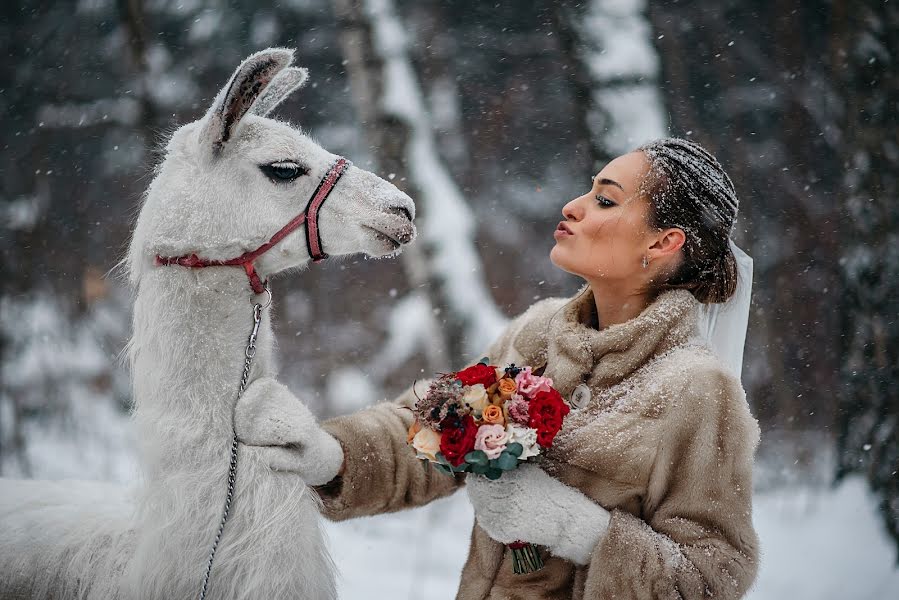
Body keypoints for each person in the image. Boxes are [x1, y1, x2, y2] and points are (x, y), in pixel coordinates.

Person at [236, 137, 760, 599]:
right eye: (588, 190)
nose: (573, 207)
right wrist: (330, 455)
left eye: (604, 200)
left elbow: (709, 579)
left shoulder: (695, 388)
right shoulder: (538, 334)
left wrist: (580, 531)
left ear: (663, 243)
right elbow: (433, 435)